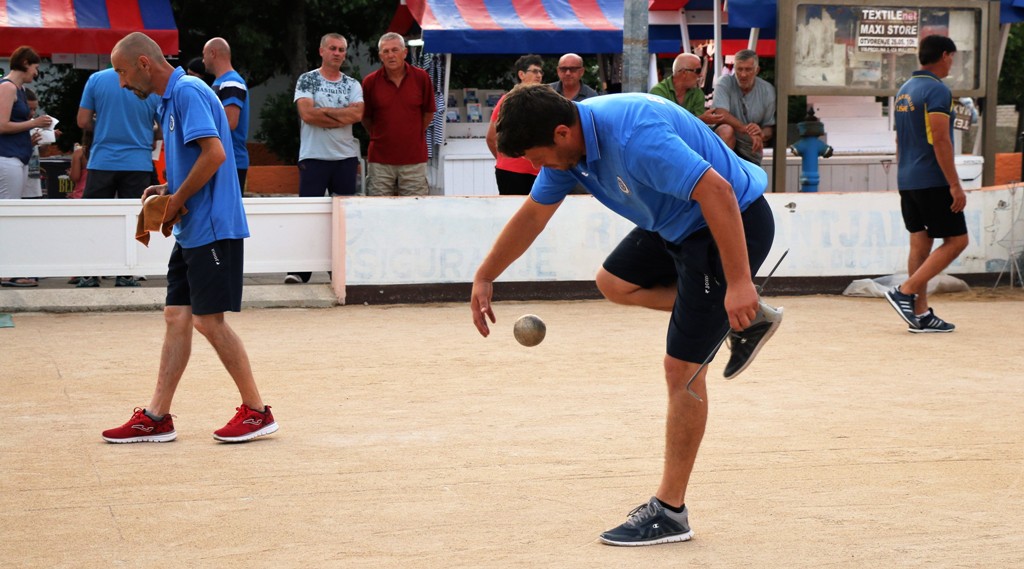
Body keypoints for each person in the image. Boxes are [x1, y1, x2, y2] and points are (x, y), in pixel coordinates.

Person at [470, 84, 782, 546]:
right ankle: (741, 315)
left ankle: (671, 511)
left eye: (538, 158)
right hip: (674, 223)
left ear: (561, 132)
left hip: (725, 223)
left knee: (683, 372)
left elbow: (717, 193)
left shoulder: (634, 136)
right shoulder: (569, 144)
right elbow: (534, 214)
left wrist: (739, 283)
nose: (539, 169)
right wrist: (485, 275)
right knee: (613, 282)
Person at [101, 32, 277, 444]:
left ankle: (257, 411)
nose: (123, 83)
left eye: (123, 73)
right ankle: (156, 416)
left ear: (144, 63)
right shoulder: (172, 97)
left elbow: (216, 154)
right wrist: (169, 189)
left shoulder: (187, 91)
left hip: (213, 226)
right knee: (177, 316)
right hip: (195, 227)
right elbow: (201, 156)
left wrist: (177, 197)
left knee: (207, 322)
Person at [884, 35, 967, 334]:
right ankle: (904, 292)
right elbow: (941, 139)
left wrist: (907, 172)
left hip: (907, 179)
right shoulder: (937, 90)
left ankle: (920, 313)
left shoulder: (905, 90)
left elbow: (899, 139)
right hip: (932, 179)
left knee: (920, 243)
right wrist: (955, 185)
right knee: (958, 241)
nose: (952, 64)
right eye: (952, 58)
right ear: (944, 55)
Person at [288, 33, 364, 284]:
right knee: (308, 213)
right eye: (332, 48)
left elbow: (357, 115)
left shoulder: (352, 84)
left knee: (343, 218)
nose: (337, 53)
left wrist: (326, 113)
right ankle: (301, 269)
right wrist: (340, 115)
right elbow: (307, 114)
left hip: (345, 158)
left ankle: (339, 270)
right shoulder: (307, 80)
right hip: (314, 156)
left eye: (342, 49)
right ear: (321, 51)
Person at [76, 65, 161, 288]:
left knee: (94, 218)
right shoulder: (149, 83)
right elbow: (163, 125)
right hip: (138, 162)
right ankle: (127, 274)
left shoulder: (96, 79)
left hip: (103, 160)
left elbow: (83, 120)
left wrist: (104, 125)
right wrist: (144, 130)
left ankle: (90, 273)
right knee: (134, 219)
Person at [361, 32, 436, 196]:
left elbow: (429, 112)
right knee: (378, 210)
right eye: (386, 51)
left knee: (414, 210)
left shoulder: (421, 78)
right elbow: (365, 117)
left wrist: (412, 133)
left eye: (395, 50)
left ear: (405, 53)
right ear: (380, 56)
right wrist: (380, 135)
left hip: (414, 159)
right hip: (380, 160)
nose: (391, 55)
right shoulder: (370, 82)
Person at [0, 46, 51, 288]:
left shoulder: (17, 89)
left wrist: (31, 129)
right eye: (36, 68)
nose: (36, 74)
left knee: (13, 213)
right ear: (25, 63)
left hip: (16, 157)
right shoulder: (7, 87)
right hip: (7, 158)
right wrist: (34, 122)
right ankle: (7, 271)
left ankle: (11, 268)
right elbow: (1, 125)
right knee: (9, 214)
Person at [485, 55, 545, 196]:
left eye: (541, 72)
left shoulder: (544, 100)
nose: (539, 75)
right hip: (511, 171)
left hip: (539, 170)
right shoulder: (508, 100)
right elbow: (491, 137)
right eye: (534, 71)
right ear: (521, 74)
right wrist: (505, 158)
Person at [709, 49, 776, 166]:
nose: (743, 74)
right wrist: (747, 129)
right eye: (739, 69)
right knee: (726, 130)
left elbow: (769, 127)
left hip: (751, 151)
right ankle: (722, 172)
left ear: (757, 70)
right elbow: (720, 114)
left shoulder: (768, 90)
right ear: (734, 68)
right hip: (725, 144)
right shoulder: (725, 82)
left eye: (748, 69)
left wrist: (760, 133)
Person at [203, 37, 250, 192]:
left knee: (226, 213)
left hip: (231, 161)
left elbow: (230, 122)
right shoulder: (221, 82)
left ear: (213, 53)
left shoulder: (231, 82)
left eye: (204, 55)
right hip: (222, 160)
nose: (203, 60)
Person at [650, 53, 709, 118]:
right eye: (698, 71)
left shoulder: (697, 93)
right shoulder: (659, 91)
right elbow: (662, 121)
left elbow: (697, 125)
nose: (701, 75)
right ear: (684, 73)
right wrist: (701, 119)